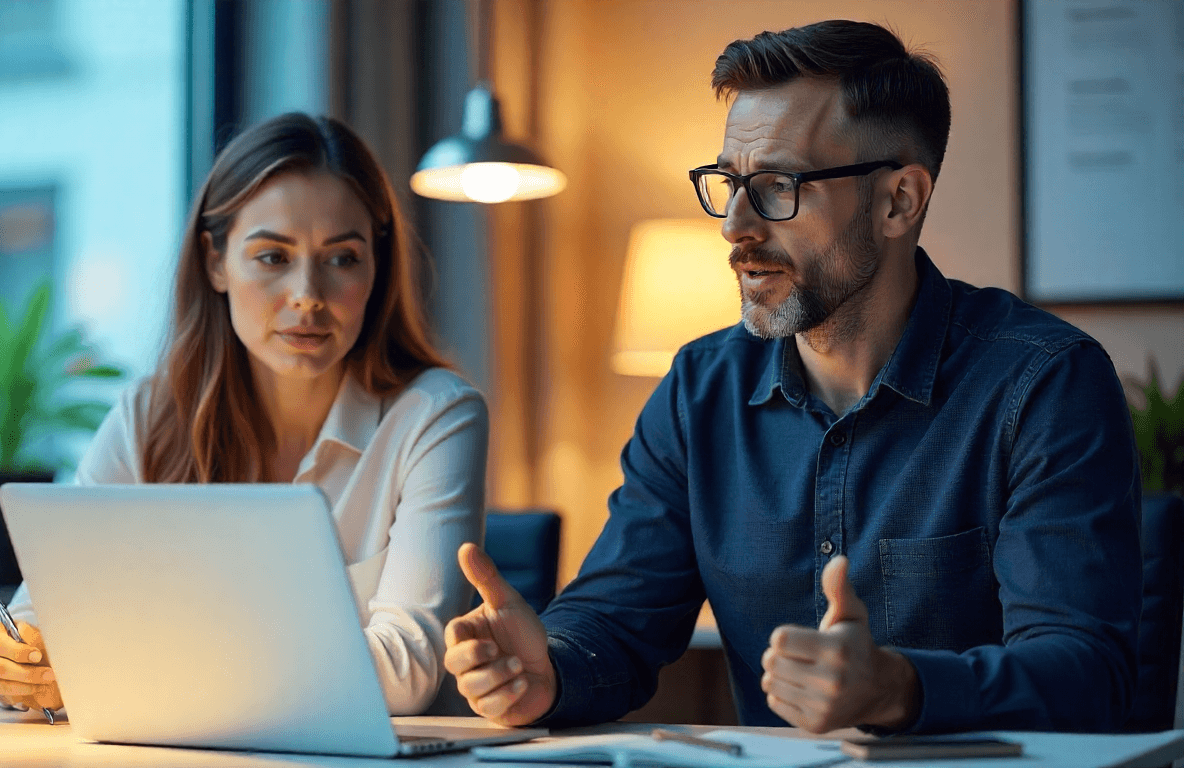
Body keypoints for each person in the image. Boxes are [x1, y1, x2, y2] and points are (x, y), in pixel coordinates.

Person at [443, 20, 1141, 735]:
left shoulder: (1045, 383)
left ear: (899, 200)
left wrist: (901, 688)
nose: (735, 225)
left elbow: (1089, 674)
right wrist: (546, 671)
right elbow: (616, 623)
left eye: (778, 185)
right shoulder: (697, 390)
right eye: (729, 184)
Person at [0, 113, 489, 717]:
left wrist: (114, 667)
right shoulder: (150, 416)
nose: (307, 294)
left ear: (377, 267)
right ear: (216, 263)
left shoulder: (436, 417)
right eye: (272, 257)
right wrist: (15, 668)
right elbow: (24, 639)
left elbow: (408, 671)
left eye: (342, 259)